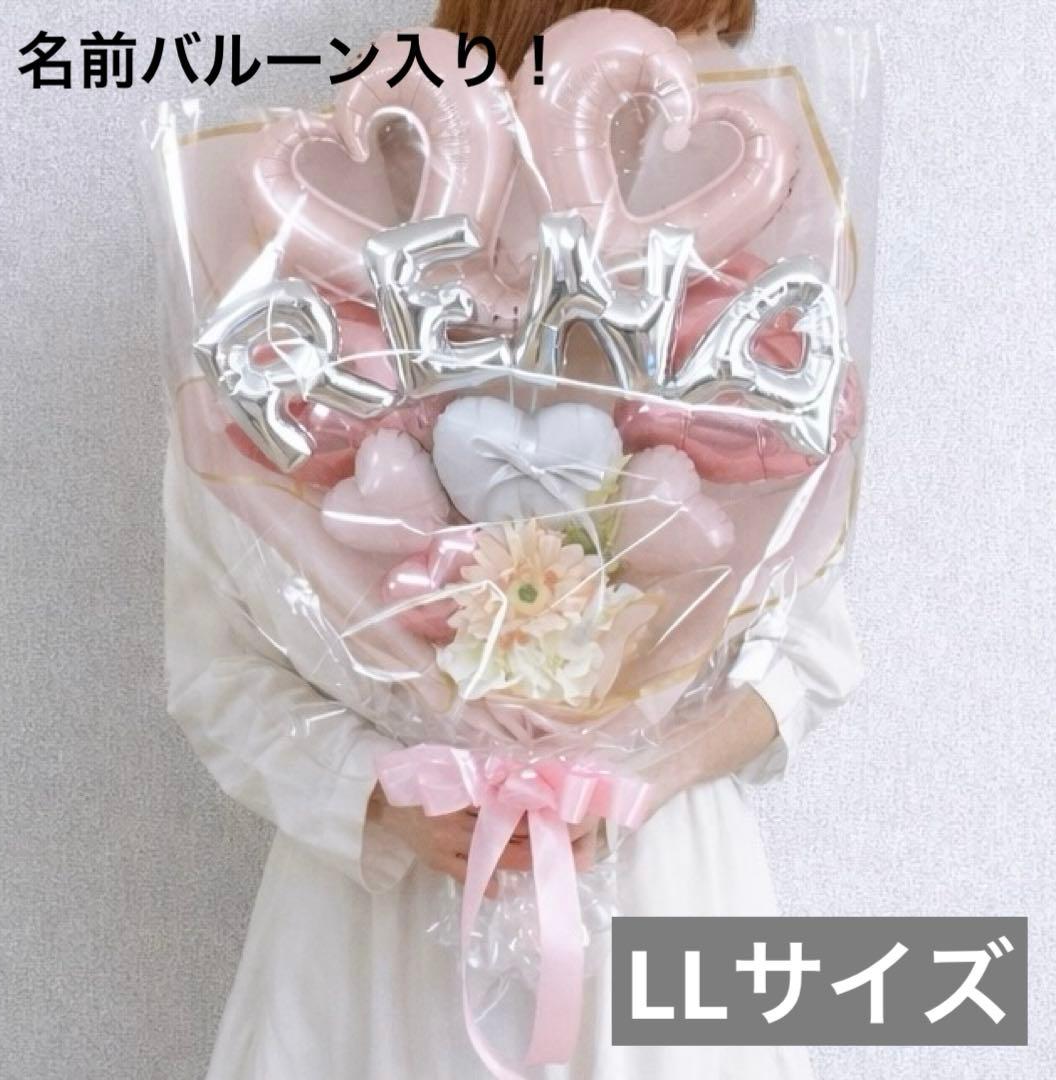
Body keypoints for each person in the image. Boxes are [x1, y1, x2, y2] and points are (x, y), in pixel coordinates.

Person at [165, 1, 863, 1076]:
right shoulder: (288, 332)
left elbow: (809, 653)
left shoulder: (756, 331)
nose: (711, 89)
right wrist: (385, 792)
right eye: (685, 48)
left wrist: (640, 775)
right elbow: (216, 672)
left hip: (661, 892)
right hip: (384, 928)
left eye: (718, 54)